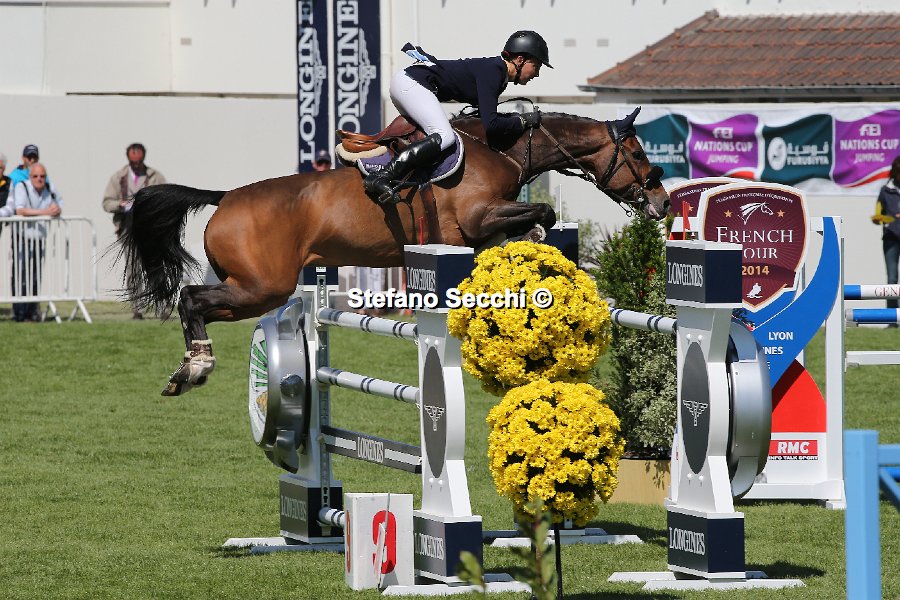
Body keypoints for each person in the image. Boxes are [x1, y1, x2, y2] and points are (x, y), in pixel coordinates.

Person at [363, 30, 551, 204]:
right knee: (445, 136)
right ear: (519, 59)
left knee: (433, 138)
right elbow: (492, 125)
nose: (537, 74)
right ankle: (382, 177)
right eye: (536, 66)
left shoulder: (497, 74)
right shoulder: (494, 71)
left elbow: (483, 120)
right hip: (412, 84)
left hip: (408, 83)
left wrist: (517, 121)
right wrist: (522, 121)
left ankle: (407, 181)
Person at [10, 163, 62, 322]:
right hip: (22, 238)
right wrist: (44, 212)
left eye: (42, 176)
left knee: (35, 276)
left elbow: (59, 203)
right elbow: (20, 210)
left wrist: (57, 209)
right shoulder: (22, 187)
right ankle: (19, 313)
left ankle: (33, 312)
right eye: (35, 176)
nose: (39, 179)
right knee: (21, 275)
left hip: (39, 238)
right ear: (30, 177)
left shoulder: (49, 188)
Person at [103, 143, 167, 237]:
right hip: (126, 228)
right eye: (132, 162)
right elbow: (107, 203)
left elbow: (165, 201)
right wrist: (120, 205)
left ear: (143, 158)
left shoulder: (156, 177)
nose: (136, 166)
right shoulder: (118, 177)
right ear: (128, 159)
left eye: (139, 162)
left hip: (150, 228)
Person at [873, 155, 900, 323]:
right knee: (892, 278)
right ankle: (892, 318)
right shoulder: (885, 191)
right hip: (891, 237)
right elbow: (878, 214)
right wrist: (880, 219)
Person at [0, 153, 12, 218]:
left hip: (4, 222)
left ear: (4, 169)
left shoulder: (9, 182)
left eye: (0, 168)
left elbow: (10, 207)